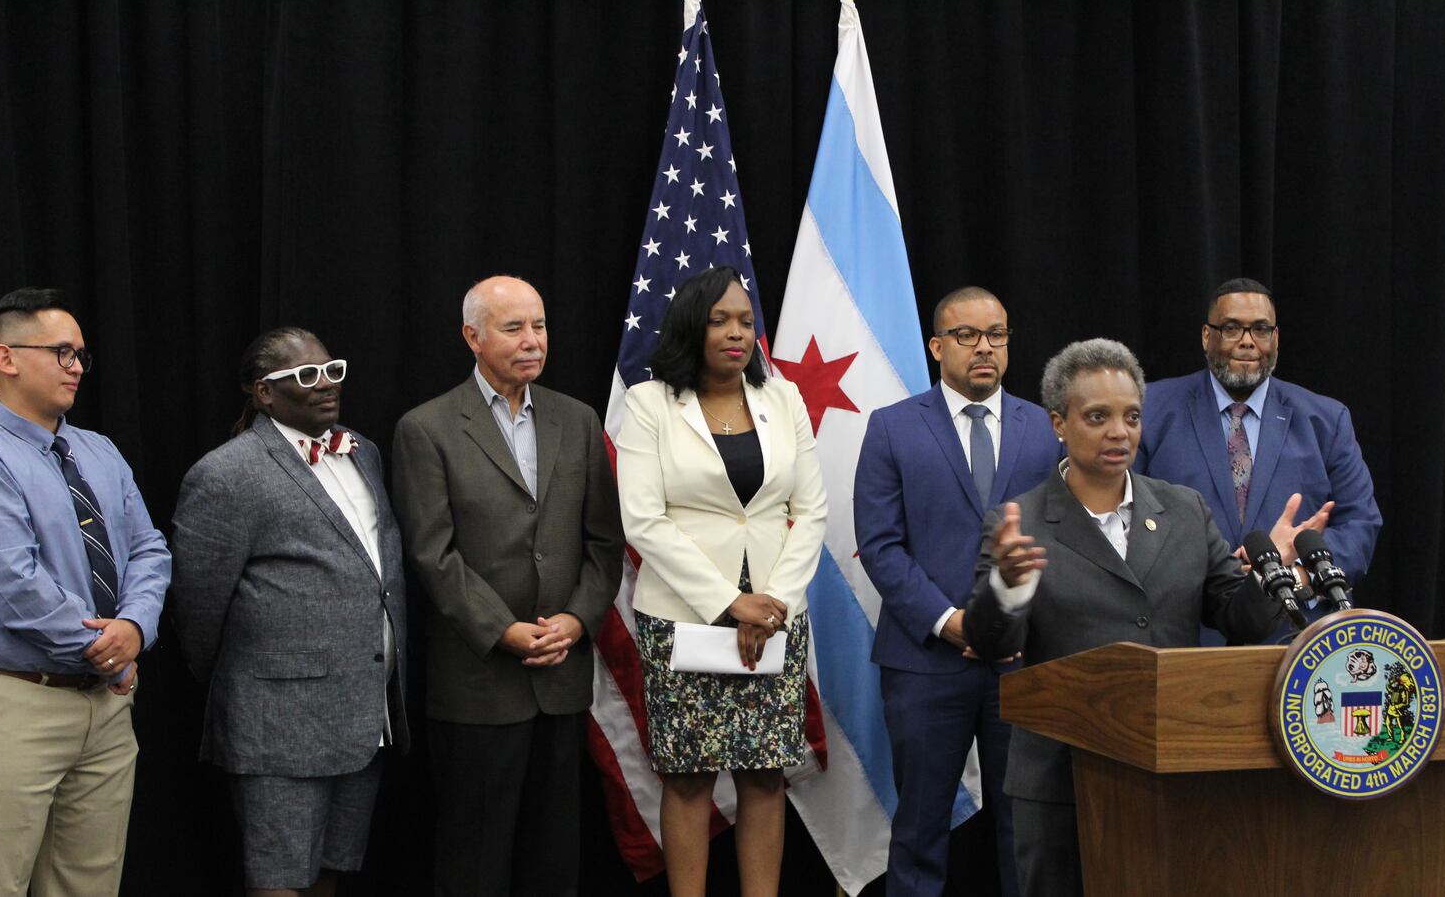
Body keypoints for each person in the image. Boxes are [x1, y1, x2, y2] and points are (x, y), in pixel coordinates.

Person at [964, 338, 1328, 897]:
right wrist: (1007, 588)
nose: (1119, 432)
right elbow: (990, 644)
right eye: (1098, 417)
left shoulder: (1183, 508)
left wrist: (1271, 577)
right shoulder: (1021, 523)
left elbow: (1242, 620)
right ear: (1058, 423)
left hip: (1176, 769)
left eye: (1132, 417)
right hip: (1064, 783)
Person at [392, 275, 622, 896]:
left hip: (560, 675)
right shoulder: (427, 428)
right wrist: (505, 631)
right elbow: (432, 554)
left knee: (553, 859)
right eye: (513, 327)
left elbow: (603, 543)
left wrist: (576, 621)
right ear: (472, 336)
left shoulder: (577, 420)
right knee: (476, 860)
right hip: (478, 681)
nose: (532, 341)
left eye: (539, 326)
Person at [171, 327, 408, 897]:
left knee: (333, 870)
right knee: (279, 880)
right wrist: (246, 690)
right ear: (263, 393)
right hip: (279, 722)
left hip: (363, 711)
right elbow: (198, 607)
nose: (325, 384)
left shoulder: (363, 451)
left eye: (332, 370)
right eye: (304, 376)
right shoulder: (228, 473)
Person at [615, 266, 828, 897]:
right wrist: (731, 602)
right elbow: (642, 519)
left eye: (744, 320)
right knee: (688, 776)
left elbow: (811, 510)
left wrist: (773, 604)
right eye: (720, 321)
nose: (737, 333)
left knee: (764, 773)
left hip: (775, 615)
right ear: (692, 328)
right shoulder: (649, 403)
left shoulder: (783, 398)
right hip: (684, 614)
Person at [854, 286, 1060, 897]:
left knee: (1026, 828)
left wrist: (1008, 625)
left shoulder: (1045, 430)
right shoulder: (892, 428)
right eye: (967, 336)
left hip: (1023, 663)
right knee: (919, 828)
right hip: (924, 662)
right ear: (937, 346)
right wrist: (951, 622)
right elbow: (880, 545)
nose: (984, 348)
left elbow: (1066, 538)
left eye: (996, 334)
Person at [0, 287, 170, 896]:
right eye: (61, 352)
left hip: (107, 709)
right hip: (17, 704)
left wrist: (133, 629)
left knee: (89, 885)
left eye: (80, 353)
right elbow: (13, 583)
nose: (76, 366)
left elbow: (149, 550)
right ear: (7, 358)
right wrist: (108, 652)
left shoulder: (99, 451)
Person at [1137, 278, 1381, 595]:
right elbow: (1121, 519)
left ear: (1276, 338)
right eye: (1232, 328)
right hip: (1187, 627)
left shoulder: (1326, 420)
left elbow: (1359, 525)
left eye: (1261, 329)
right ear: (1206, 335)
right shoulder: (1149, 411)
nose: (1247, 341)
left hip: (1293, 628)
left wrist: (1295, 576)